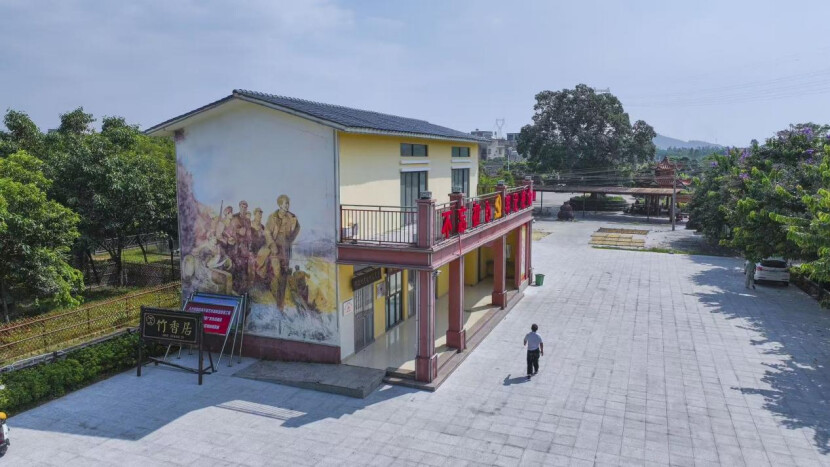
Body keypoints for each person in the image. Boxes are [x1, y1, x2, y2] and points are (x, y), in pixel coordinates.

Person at [264, 194, 301, 310]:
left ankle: (280, 305)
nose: (287, 205)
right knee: (277, 274)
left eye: (288, 203)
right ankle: (273, 301)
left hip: (285, 249)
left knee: (284, 276)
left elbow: (297, 227)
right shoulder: (272, 217)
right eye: (285, 203)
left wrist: (291, 239)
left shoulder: (291, 217)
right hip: (275, 249)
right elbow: (267, 232)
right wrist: (272, 244)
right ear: (280, 204)